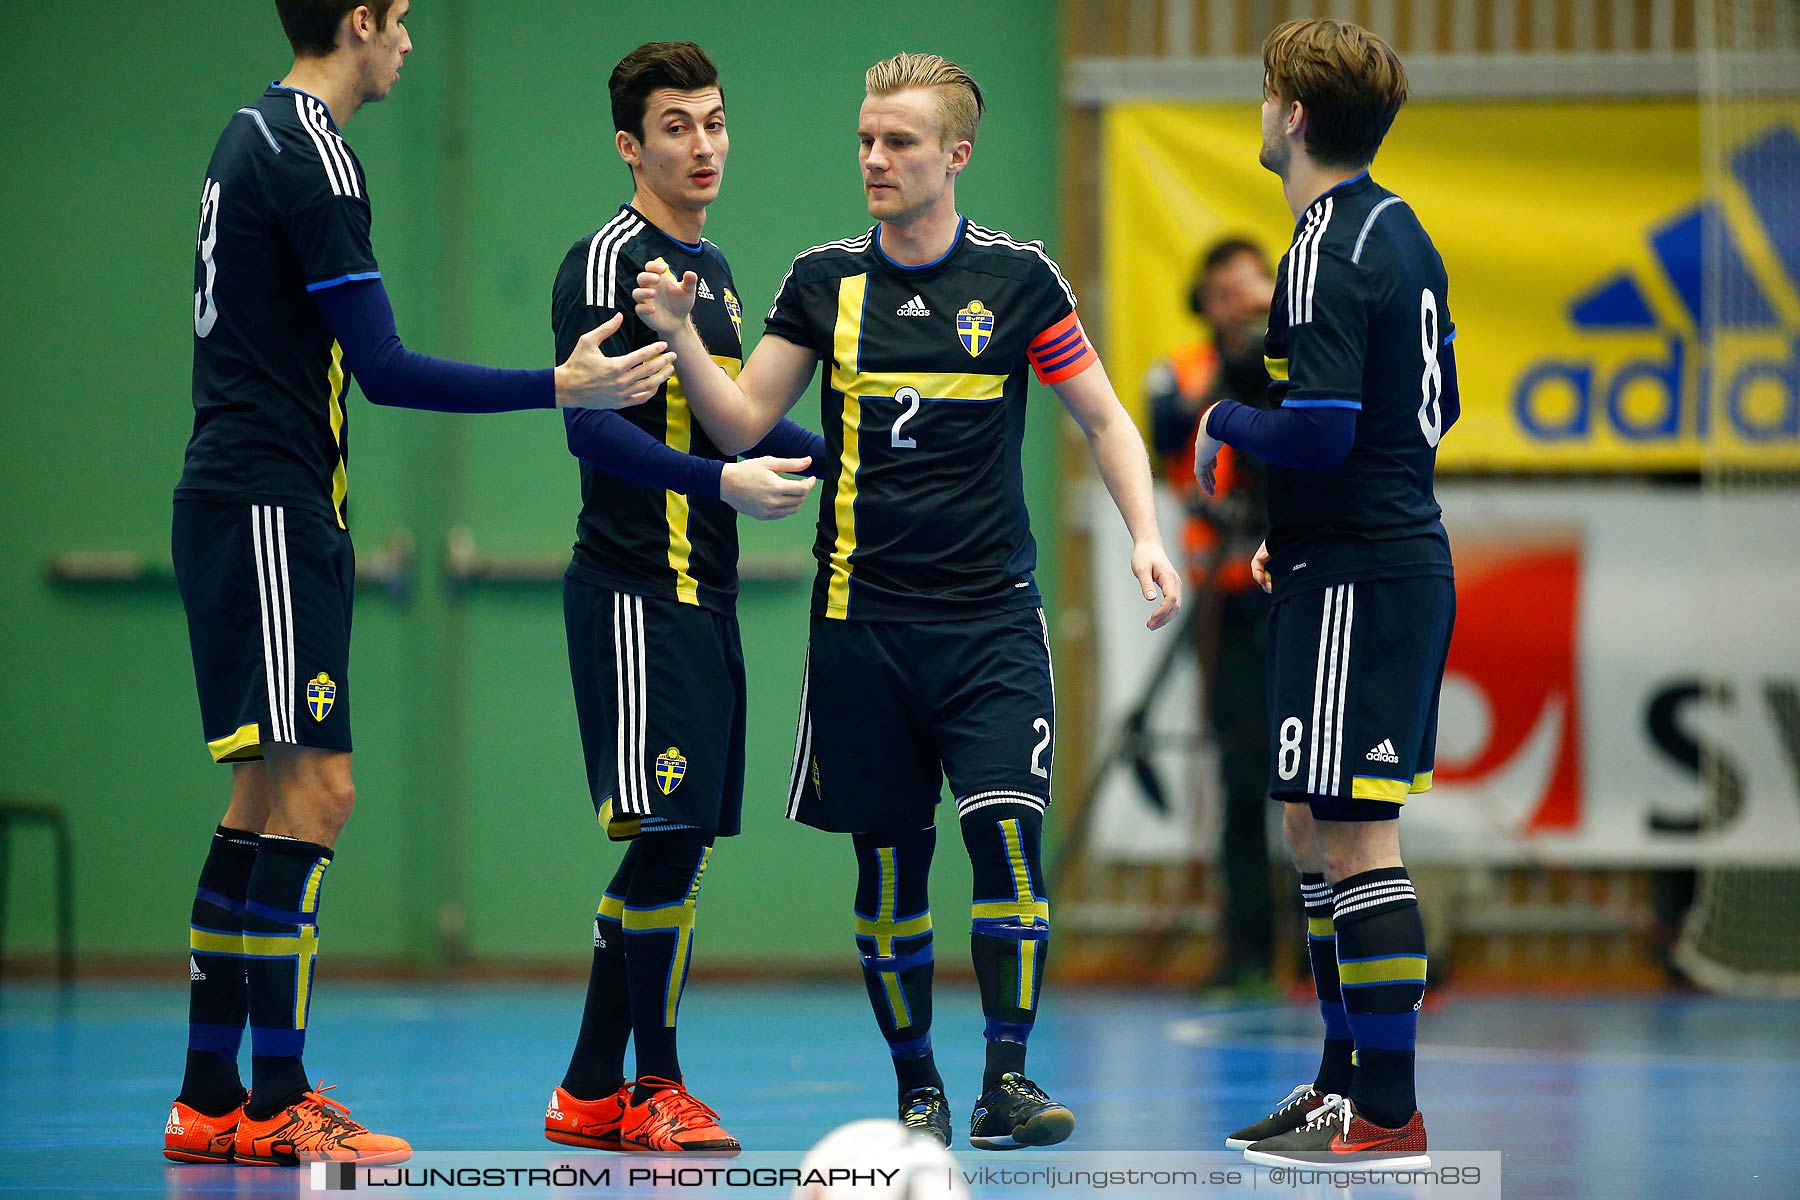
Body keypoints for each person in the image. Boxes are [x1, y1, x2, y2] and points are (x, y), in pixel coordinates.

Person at [633, 53, 1182, 1151]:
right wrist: (686, 338)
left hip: (990, 628)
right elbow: (742, 422)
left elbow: (1108, 421)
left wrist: (1147, 537)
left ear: (956, 155)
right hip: (860, 630)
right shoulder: (823, 280)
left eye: (899, 144)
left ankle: (1008, 1083)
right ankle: (919, 1087)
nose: (875, 161)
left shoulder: (1023, 281)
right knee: (888, 864)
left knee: (1010, 852)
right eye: (865, 141)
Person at [166, 0, 672, 1167]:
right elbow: (382, 368)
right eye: (399, 20)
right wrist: (564, 386)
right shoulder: (314, 151)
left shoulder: (252, 131)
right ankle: (280, 1096)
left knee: (260, 801)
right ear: (358, 20)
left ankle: (208, 1098)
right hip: (268, 506)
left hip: (253, 499)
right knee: (319, 794)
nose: (408, 43)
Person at [540, 41, 828, 1156]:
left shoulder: (713, 273)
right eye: (676, 126)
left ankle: (585, 1089)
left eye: (713, 121)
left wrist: (862, 462)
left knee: (682, 843)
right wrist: (719, 482)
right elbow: (586, 424)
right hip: (630, 591)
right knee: (665, 839)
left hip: (699, 593)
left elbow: (744, 416)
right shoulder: (610, 262)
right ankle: (655, 1085)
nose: (702, 145)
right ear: (630, 145)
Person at [1193, 19, 1457, 1168]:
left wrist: (1221, 421)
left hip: (1364, 570)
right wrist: (1295, 539)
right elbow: (1425, 409)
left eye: (1265, 98)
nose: (1261, 114)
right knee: (1310, 822)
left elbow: (1324, 428)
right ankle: (1340, 1084)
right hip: (1341, 560)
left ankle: (1388, 1114)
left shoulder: (1325, 243)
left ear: (1293, 116)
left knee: (1357, 835)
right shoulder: (1399, 231)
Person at [1144, 238, 1279, 991]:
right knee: (1239, 773)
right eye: (1223, 294)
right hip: (1226, 595)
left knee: (1319, 783)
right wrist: (1232, 377)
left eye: (1254, 290)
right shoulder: (1183, 371)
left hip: (1296, 589)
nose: (1242, 306)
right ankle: (1248, 951)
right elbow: (1167, 429)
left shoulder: (1304, 360)